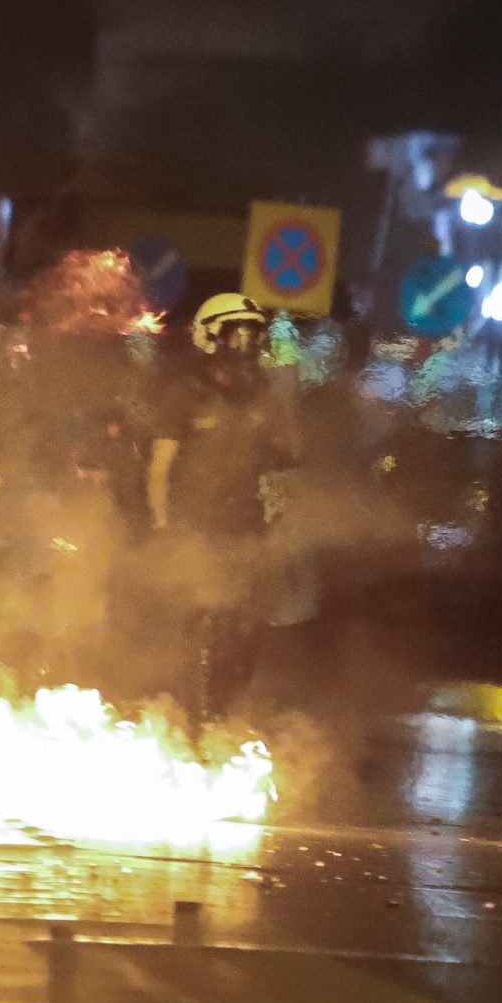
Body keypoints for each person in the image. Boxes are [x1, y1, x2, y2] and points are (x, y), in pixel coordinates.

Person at [147, 292, 298, 724]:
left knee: (245, 629)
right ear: (210, 337)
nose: (246, 344)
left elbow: (282, 465)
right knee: (197, 627)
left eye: (253, 335)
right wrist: (163, 528)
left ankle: (225, 715)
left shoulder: (264, 398)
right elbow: (160, 468)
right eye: (237, 334)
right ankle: (188, 717)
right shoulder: (185, 395)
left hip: (247, 532)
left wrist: (279, 523)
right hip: (196, 529)